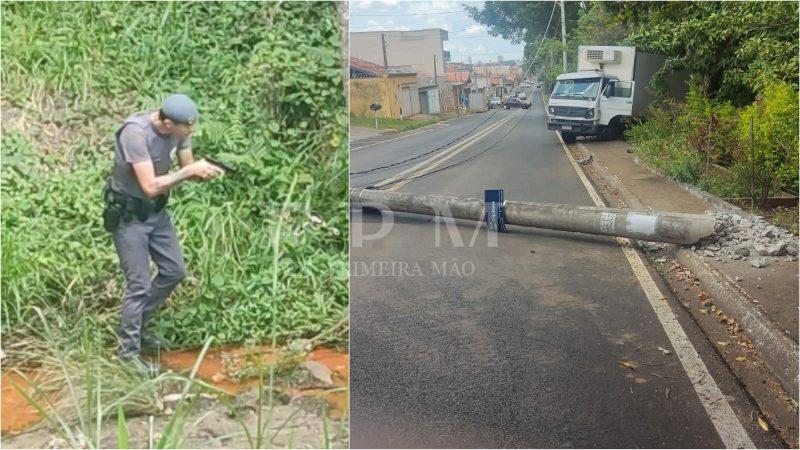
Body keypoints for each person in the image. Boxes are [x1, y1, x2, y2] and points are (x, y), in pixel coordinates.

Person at [103, 94, 223, 370]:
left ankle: (138, 323)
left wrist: (202, 170)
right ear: (167, 123)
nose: (190, 132)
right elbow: (149, 186)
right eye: (187, 128)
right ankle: (127, 354)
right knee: (139, 285)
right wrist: (188, 171)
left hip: (156, 213)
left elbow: (185, 168)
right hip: (129, 216)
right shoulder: (135, 134)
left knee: (174, 271)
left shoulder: (179, 130)